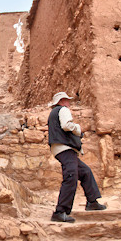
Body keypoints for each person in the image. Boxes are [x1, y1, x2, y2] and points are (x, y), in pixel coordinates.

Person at [47, 91, 106, 223]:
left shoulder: (54, 112)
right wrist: (78, 129)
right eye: (67, 100)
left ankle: (92, 201)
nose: (69, 103)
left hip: (60, 148)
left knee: (85, 172)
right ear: (62, 101)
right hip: (65, 148)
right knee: (70, 177)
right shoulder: (62, 109)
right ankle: (60, 211)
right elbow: (66, 125)